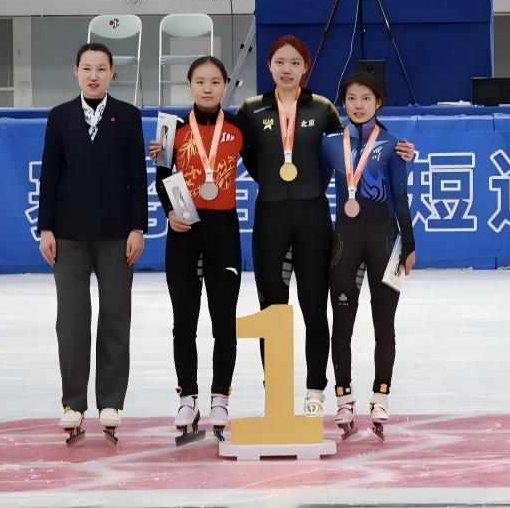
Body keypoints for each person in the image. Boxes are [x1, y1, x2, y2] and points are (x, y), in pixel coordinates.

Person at [236, 35, 414, 415]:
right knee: (271, 307)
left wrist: (401, 149)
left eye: (295, 63)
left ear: (306, 67)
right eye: (280, 62)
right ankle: (275, 390)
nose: (287, 69)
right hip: (270, 217)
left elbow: (350, 144)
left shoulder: (323, 108)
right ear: (269, 66)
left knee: (315, 306)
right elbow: (243, 151)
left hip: (312, 218)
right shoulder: (250, 109)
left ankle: (315, 389)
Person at [38, 42, 148, 444]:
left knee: (115, 316)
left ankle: (111, 401)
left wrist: (138, 228)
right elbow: (49, 174)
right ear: (76, 71)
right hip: (68, 235)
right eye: (87, 68)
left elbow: (137, 176)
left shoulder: (128, 117)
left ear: (112, 73)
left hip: (117, 235)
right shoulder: (60, 116)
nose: (94, 75)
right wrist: (45, 229)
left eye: (102, 68)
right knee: (71, 319)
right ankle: (73, 403)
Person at [149, 56, 255, 443]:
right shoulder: (171, 129)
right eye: (200, 81)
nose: (207, 88)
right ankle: (187, 398)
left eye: (214, 81)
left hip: (223, 230)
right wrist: (169, 212)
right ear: (189, 85)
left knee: (224, 321)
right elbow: (161, 178)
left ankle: (220, 398)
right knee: (184, 322)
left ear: (225, 85)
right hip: (184, 230)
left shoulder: (240, 127)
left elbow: (266, 166)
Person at [321, 72, 416, 439]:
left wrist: (409, 244)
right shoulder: (330, 143)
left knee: (383, 324)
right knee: (342, 324)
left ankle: (381, 396)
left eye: (365, 98)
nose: (358, 105)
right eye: (351, 98)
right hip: (344, 242)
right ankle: (344, 399)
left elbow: (401, 197)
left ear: (378, 103)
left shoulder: (393, 145)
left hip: (385, 242)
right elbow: (311, 184)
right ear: (343, 102)